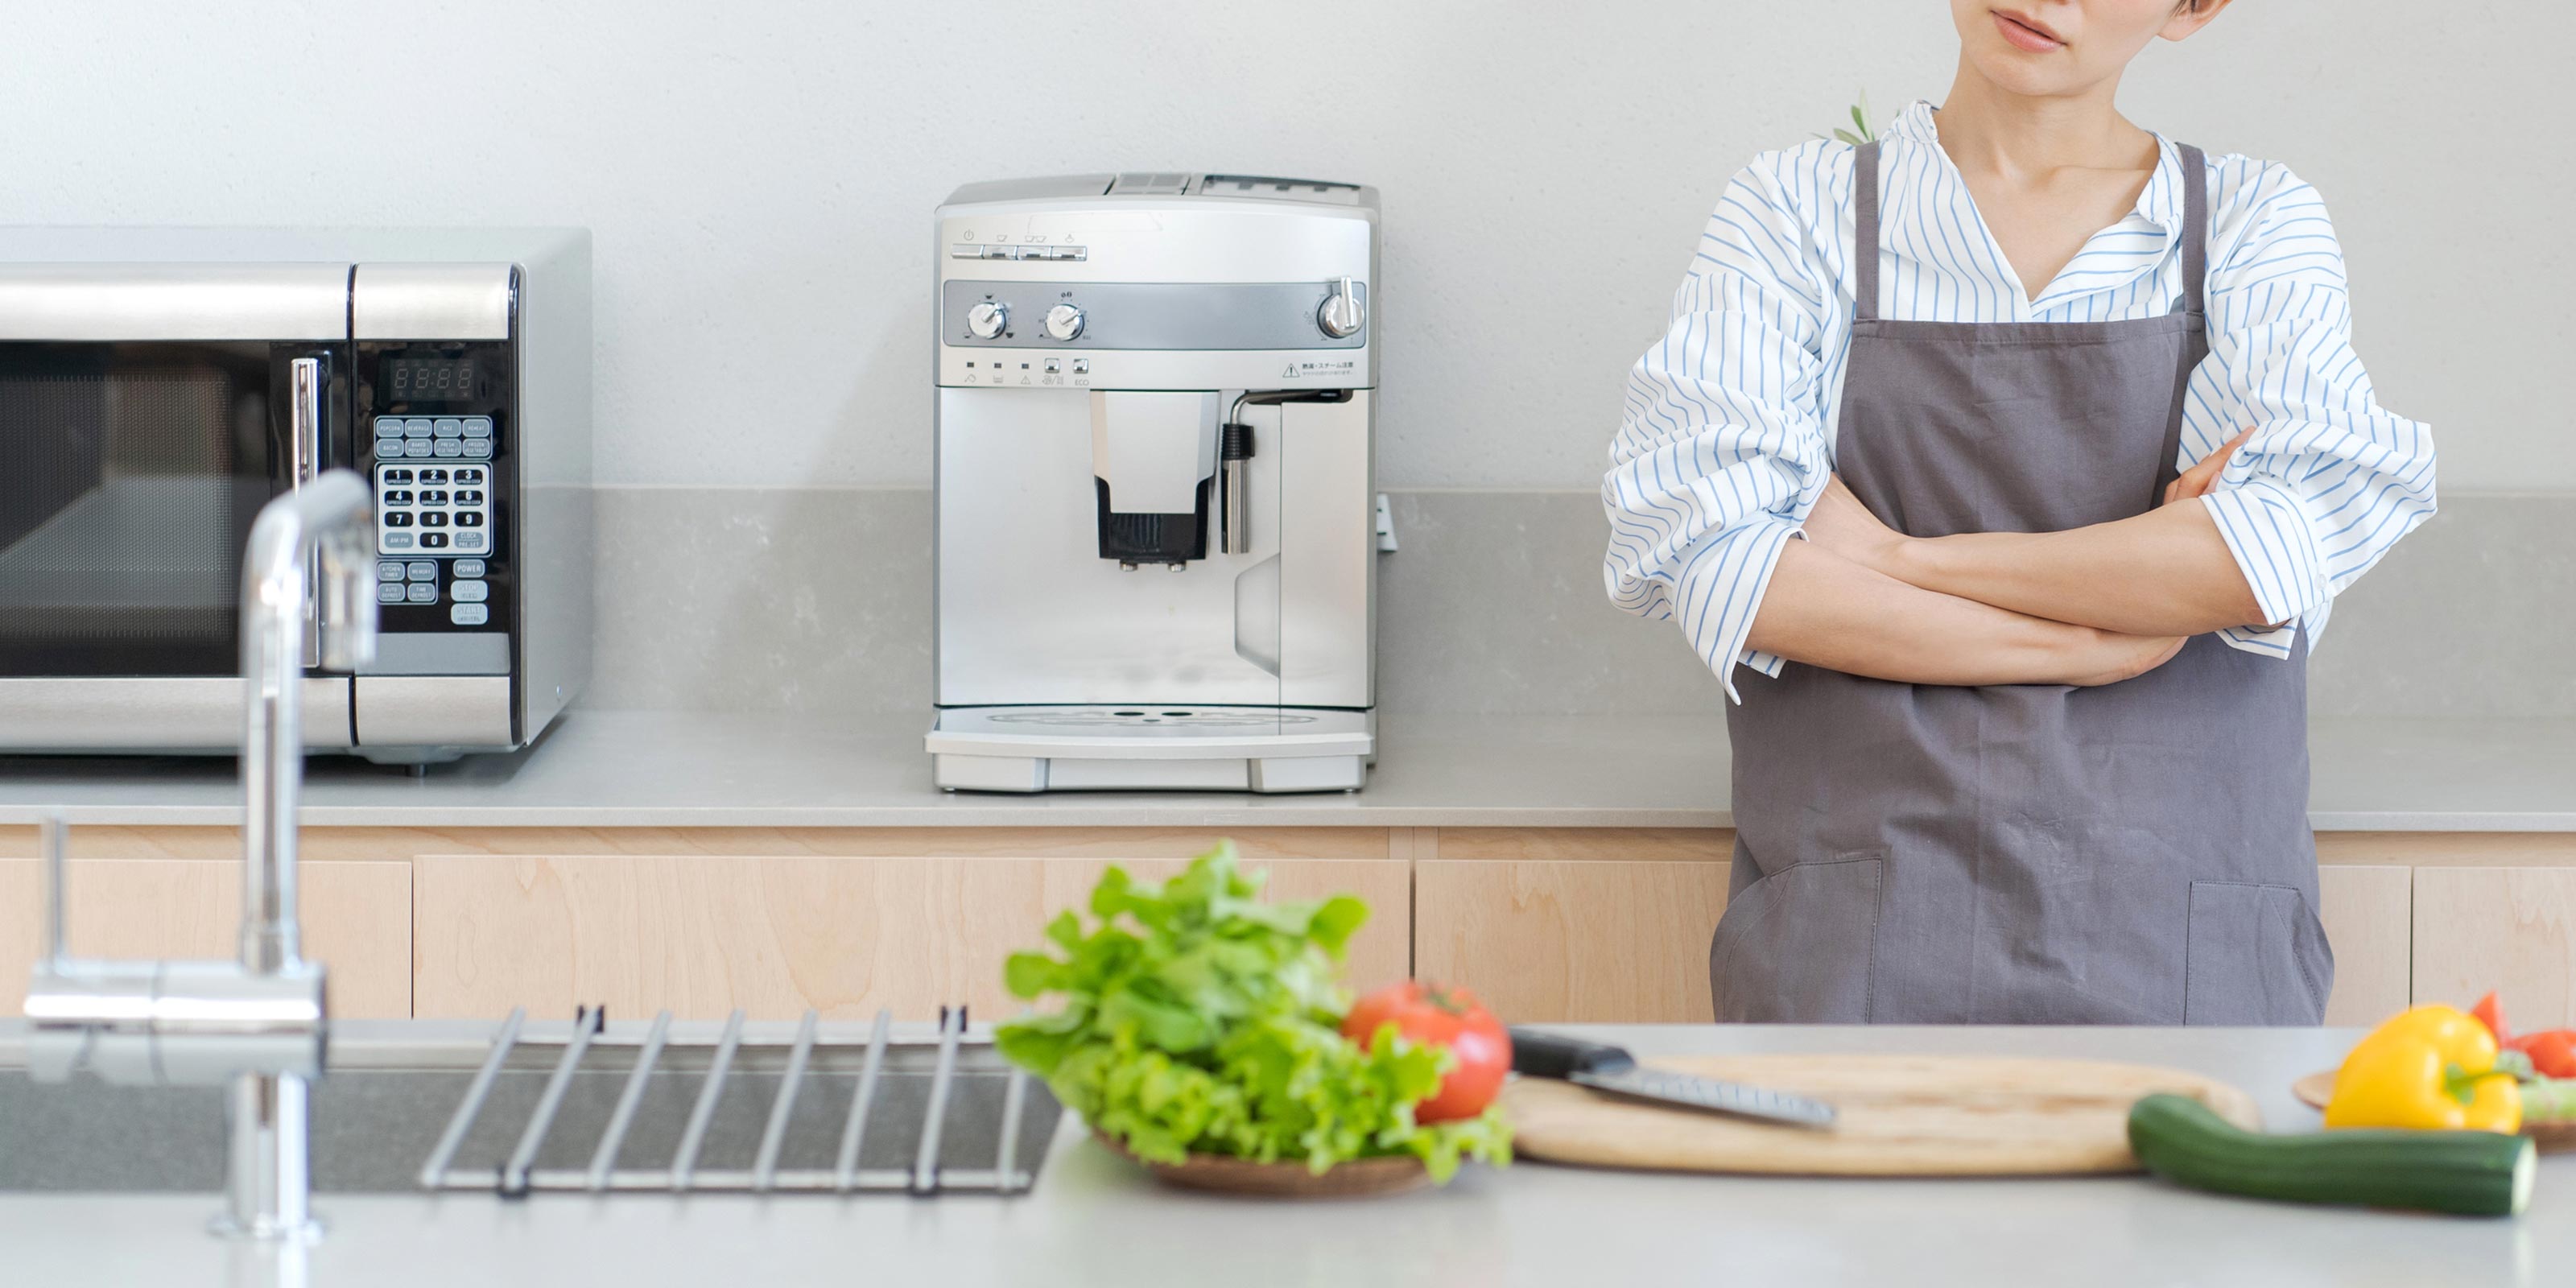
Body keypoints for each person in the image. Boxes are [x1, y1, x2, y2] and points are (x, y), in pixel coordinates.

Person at [1602, 0, 2436, 1024]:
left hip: (2182, 946)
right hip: (1858, 945)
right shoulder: (1795, 209)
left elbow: (2258, 556)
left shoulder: (2249, 220)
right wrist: (2095, 641)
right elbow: (1719, 563)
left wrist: (1892, 555)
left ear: (2194, 7)